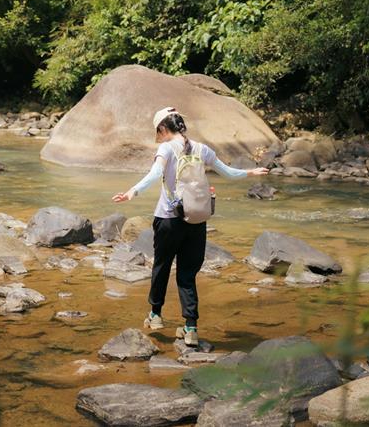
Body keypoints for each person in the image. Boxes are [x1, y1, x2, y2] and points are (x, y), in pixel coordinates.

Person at [112, 106, 269, 346]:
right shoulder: (202, 149)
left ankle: (155, 315)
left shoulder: (166, 148)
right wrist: (251, 172)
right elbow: (228, 173)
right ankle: (191, 328)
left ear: (163, 128)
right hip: (196, 219)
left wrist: (132, 192)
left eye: (158, 131)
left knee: (162, 266)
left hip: (168, 218)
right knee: (187, 274)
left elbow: (155, 174)